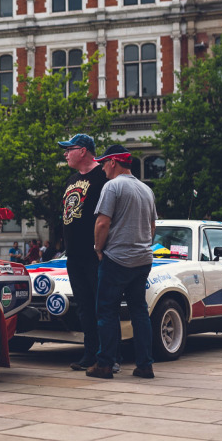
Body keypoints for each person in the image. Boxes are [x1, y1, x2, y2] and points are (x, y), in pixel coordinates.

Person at [88, 144, 158, 380]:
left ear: (113, 162)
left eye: (104, 163)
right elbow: (152, 227)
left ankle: (105, 364)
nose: (102, 168)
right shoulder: (146, 189)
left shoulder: (113, 186)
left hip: (117, 258)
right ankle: (145, 365)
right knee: (140, 311)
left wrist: (99, 249)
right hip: (143, 259)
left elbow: (102, 223)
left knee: (106, 311)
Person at [59, 133, 108, 371]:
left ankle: (109, 356)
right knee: (84, 306)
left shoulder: (103, 177)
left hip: (95, 255)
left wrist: (101, 247)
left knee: (102, 306)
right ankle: (90, 354)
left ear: (84, 151)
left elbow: (108, 217)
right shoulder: (70, 180)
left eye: (69, 149)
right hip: (74, 255)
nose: (66, 153)